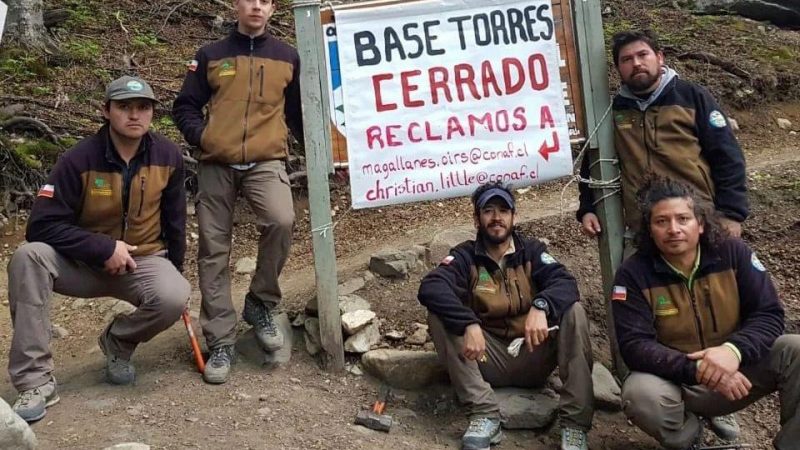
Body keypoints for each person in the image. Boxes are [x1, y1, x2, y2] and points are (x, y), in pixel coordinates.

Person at [7, 75, 189, 423]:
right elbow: (40, 226)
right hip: (80, 265)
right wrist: (102, 247)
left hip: (142, 261)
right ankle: (36, 382)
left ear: (152, 113)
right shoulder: (78, 159)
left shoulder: (168, 156)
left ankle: (118, 343)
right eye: (124, 107)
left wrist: (176, 273)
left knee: (175, 294)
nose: (134, 115)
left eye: (143, 108)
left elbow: (175, 223)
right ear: (106, 111)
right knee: (28, 257)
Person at [611, 177, 800, 449]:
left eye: (683, 219)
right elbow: (635, 345)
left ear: (700, 224)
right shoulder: (633, 274)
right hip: (680, 381)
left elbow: (768, 314)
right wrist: (699, 369)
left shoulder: (733, 254)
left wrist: (732, 352)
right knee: (640, 394)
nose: (673, 229)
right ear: (649, 230)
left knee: (795, 349)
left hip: (741, 371)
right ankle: (692, 439)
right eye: (661, 221)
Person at [172, 0, 303, 384]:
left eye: (265, 1)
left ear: (273, 8)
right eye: (250, 0)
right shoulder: (211, 54)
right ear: (236, 5)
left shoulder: (287, 56)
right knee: (213, 246)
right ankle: (221, 339)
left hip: (266, 160)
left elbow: (297, 113)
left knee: (282, 220)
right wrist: (204, 138)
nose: (257, 7)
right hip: (217, 164)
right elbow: (185, 107)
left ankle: (260, 304)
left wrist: (322, 157)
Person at [418, 182, 594, 450]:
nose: (496, 217)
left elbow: (565, 283)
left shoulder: (532, 251)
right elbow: (432, 287)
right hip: (487, 358)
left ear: (514, 216)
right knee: (439, 316)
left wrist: (541, 306)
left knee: (574, 311)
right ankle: (484, 414)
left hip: (533, 352)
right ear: (476, 219)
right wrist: (468, 322)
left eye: (503, 210)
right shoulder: (466, 255)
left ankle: (574, 425)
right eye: (488, 211)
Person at [577, 29, 748, 241]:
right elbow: (593, 161)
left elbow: (728, 156)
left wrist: (732, 214)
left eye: (643, 55)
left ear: (659, 57)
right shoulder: (612, 111)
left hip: (698, 222)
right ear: (619, 68)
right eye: (627, 59)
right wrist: (587, 208)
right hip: (644, 229)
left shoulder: (692, 97)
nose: (636, 63)